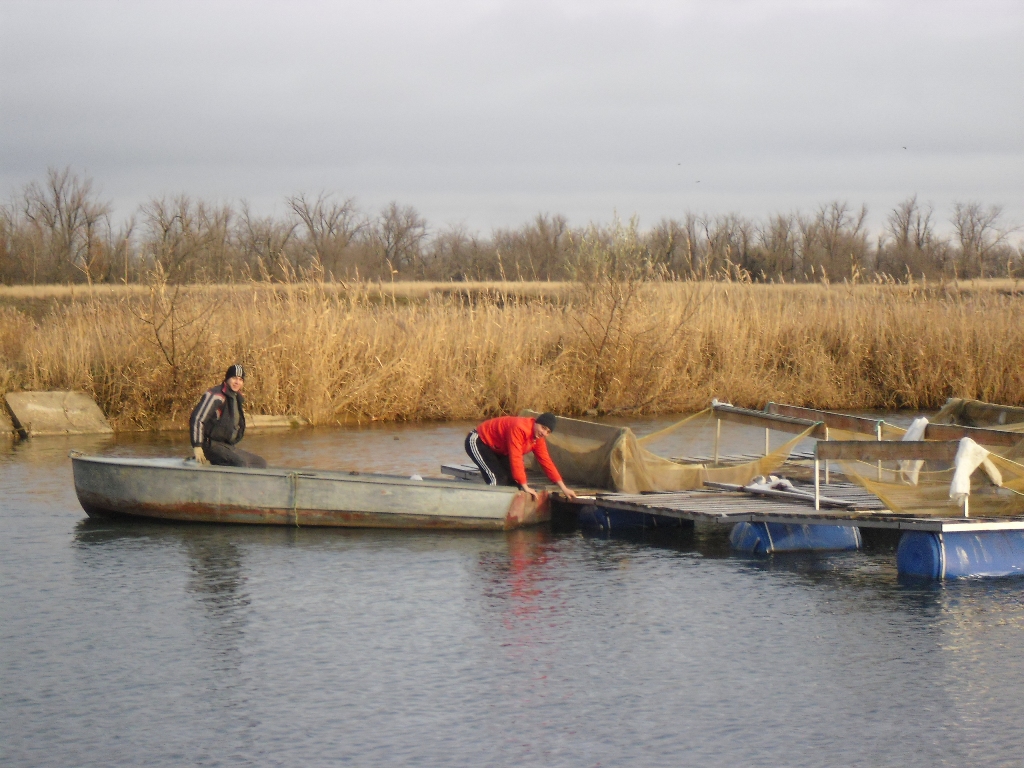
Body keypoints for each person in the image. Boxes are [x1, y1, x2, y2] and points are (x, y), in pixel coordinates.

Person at [465, 412, 578, 500]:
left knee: (514, 481)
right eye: (543, 428)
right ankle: (489, 506)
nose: (544, 433)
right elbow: (516, 457)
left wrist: (563, 488)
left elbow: (546, 462)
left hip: (499, 449)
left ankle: (510, 510)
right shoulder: (520, 428)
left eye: (548, 432)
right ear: (536, 423)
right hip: (479, 440)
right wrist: (525, 485)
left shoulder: (538, 440)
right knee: (497, 478)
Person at [189, 364, 267, 468]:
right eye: (234, 378)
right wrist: (197, 447)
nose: (237, 382)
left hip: (226, 446)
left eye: (240, 379)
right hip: (210, 445)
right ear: (227, 379)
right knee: (240, 463)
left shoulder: (235, 397)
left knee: (259, 463)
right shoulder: (216, 395)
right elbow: (197, 418)